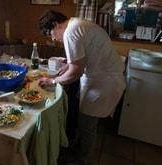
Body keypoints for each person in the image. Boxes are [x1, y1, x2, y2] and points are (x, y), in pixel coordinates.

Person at [38, 10, 126, 165]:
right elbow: (78, 63)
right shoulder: (77, 24)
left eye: (50, 33)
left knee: (87, 126)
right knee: (84, 120)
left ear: (55, 24)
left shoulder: (70, 33)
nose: (52, 38)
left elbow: (76, 71)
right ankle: (77, 150)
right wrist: (61, 71)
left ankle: (82, 159)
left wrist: (53, 81)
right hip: (101, 78)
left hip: (103, 82)